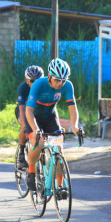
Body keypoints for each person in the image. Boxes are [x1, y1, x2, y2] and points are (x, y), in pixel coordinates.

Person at [25, 58, 82, 194]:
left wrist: (74, 126)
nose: (60, 83)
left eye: (63, 80)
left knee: (59, 148)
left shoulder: (68, 85)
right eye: (57, 80)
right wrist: (36, 130)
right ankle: (31, 171)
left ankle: (59, 186)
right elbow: (29, 110)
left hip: (50, 115)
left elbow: (72, 107)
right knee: (38, 142)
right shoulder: (38, 84)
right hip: (34, 116)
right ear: (49, 76)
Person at [15, 65, 44, 169]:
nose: (35, 83)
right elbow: (21, 108)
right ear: (27, 80)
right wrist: (24, 124)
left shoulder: (44, 87)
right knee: (24, 128)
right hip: (23, 109)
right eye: (32, 81)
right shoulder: (23, 88)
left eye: (38, 80)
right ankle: (21, 152)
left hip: (36, 110)